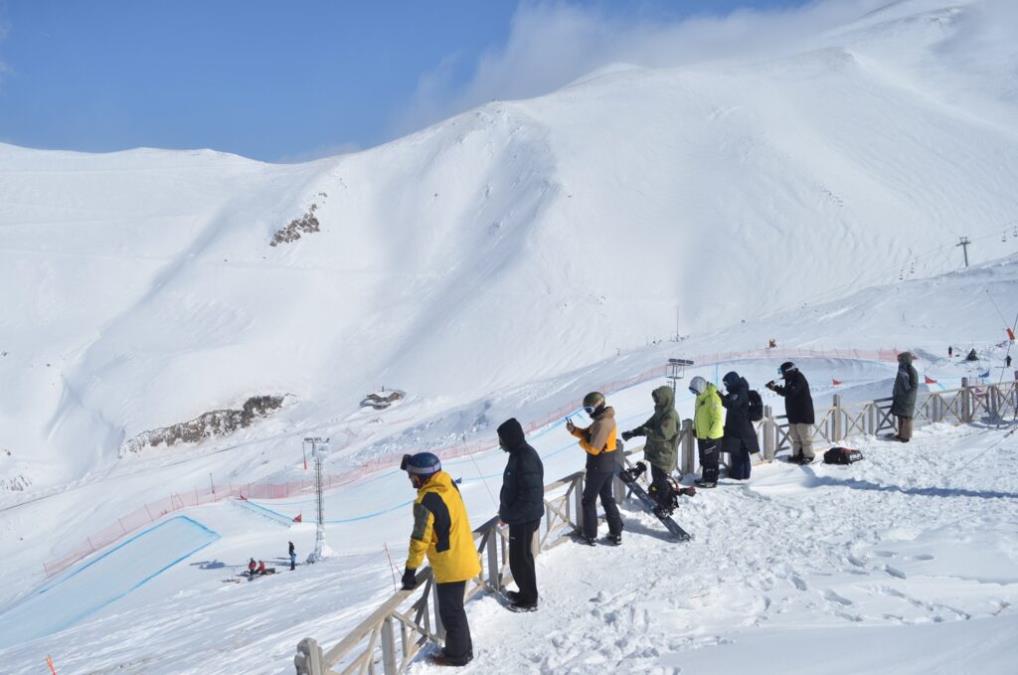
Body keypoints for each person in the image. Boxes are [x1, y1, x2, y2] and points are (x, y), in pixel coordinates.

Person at [400, 452, 481, 667]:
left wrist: (410, 571)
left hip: (450, 564)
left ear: (421, 477)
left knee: (450, 612)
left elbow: (419, 540)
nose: (410, 480)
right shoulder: (448, 484)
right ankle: (464, 650)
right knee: (455, 609)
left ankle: (457, 656)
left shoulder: (426, 502)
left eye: (412, 476)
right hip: (464, 554)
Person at [497, 418, 544, 612]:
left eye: (501, 440)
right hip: (522, 516)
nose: (500, 444)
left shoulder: (525, 457)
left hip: (524, 518)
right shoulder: (518, 454)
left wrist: (510, 515)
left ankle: (529, 600)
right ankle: (525, 592)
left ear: (510, 437)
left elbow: (529, 495)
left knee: (520, 559)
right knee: (520, 557)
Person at [567, 391, 623, 546]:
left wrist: (581, 444)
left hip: (598, 466)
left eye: (589, 410)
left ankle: (590, 535)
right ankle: (616, 532)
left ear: (598, 406)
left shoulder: (602, 423)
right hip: (607, 464)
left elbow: (594, 448)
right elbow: (588, 433)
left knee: (588, 500)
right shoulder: (603, 419)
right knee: (606, 498)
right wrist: (574, 430)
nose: (588, 413)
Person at [621, 386, 679, 511]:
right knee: (657, 480)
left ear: (665, 399)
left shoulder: (670, 416)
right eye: (655, 399)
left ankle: (666, 505)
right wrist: (633, 433)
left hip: (665, 455)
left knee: (661, 481)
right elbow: (647, 425)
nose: (656, 402)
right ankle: (659, 499)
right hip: (656, 454)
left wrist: (647, 431)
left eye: (658, 399)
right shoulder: (660, 412)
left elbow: (663, 435)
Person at [766, 362, 816, 464]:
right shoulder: (790, 379)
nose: (782, 374)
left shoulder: (799, 378)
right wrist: (774, 386)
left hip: (803, 413)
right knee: (795, 436)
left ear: (788, 371)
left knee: (805, 436)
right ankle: (797, 455)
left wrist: (775, 388)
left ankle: (809, 456)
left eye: (783, 372)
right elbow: (787, 391)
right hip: (793, 413)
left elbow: (790, 392)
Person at [720, 371, 759, 480]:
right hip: (741, 427)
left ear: (733, 381)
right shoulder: (740, 390)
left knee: (737, 452)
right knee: (742, 452)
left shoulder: (739, 392)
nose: (726, 386)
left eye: (727, 383)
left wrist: (719, 397)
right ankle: (745, 474)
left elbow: (731, 404)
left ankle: (738, 475)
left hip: (739, 428)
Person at [689, 376, 723, 488]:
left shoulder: (713, 398)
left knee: (711, 460)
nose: (694, 393)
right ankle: (705, 477)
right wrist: (695, 429)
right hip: (702, 435)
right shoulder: (700, 398)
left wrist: (711, 436)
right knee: (704, 459)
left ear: (700, 387)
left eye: (695, 390)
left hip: (712, 436)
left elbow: (718, 419)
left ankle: (711, 481)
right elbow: (697, 415)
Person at [891, 352, 919, 442]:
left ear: (904, 359)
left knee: (906, 417)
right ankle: (900, 434)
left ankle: (905, 437)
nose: (898, 361)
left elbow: (914, 385)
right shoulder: (902, 368)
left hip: (907, 398)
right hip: (901, 397)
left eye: (900, 359)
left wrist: (907, 394)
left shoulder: (910, 370)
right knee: (901, 416)